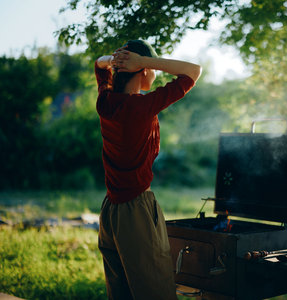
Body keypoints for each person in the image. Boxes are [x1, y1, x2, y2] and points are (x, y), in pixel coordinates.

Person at [94, 39, 201, 300]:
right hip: (136, 210)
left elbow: (99, 64)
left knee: (122, 293)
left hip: (110, 212)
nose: (153, 72)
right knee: (155, 290)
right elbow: (193, 71)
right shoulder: (140, 107)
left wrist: (117, 61)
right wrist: (144, 61)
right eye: (150, 67)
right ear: (142, 70)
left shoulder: (106, 101)